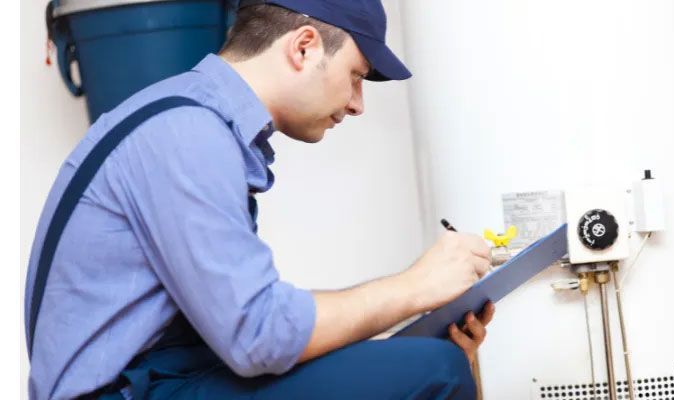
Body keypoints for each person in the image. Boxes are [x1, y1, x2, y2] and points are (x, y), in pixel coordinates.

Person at [24, 1, 494, 398]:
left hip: (166, 378)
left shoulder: (191, 118)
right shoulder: (187, 134)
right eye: (355, 75)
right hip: (127, 390)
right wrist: (414, 288)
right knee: (435, 371)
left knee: (424, 361)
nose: (357, 103)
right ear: (303, 46)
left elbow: (247, 330)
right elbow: (258, 336)